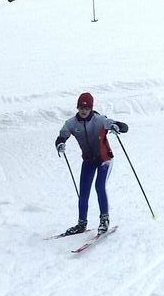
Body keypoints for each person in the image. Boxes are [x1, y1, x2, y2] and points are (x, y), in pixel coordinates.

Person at [55, 92, 129, 235]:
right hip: (88, 161)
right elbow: (61, 137)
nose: (84, 111)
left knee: (99, 186)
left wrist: (116, 126)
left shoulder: (99, 120)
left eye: (87, 108)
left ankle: (104, 220)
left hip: (105, 160)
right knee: (83, 191)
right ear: (77, 107)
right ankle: (81, 224)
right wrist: (60, 144)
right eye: (81, 108)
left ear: (91, 108)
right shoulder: (71, 123)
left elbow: (122, 126)